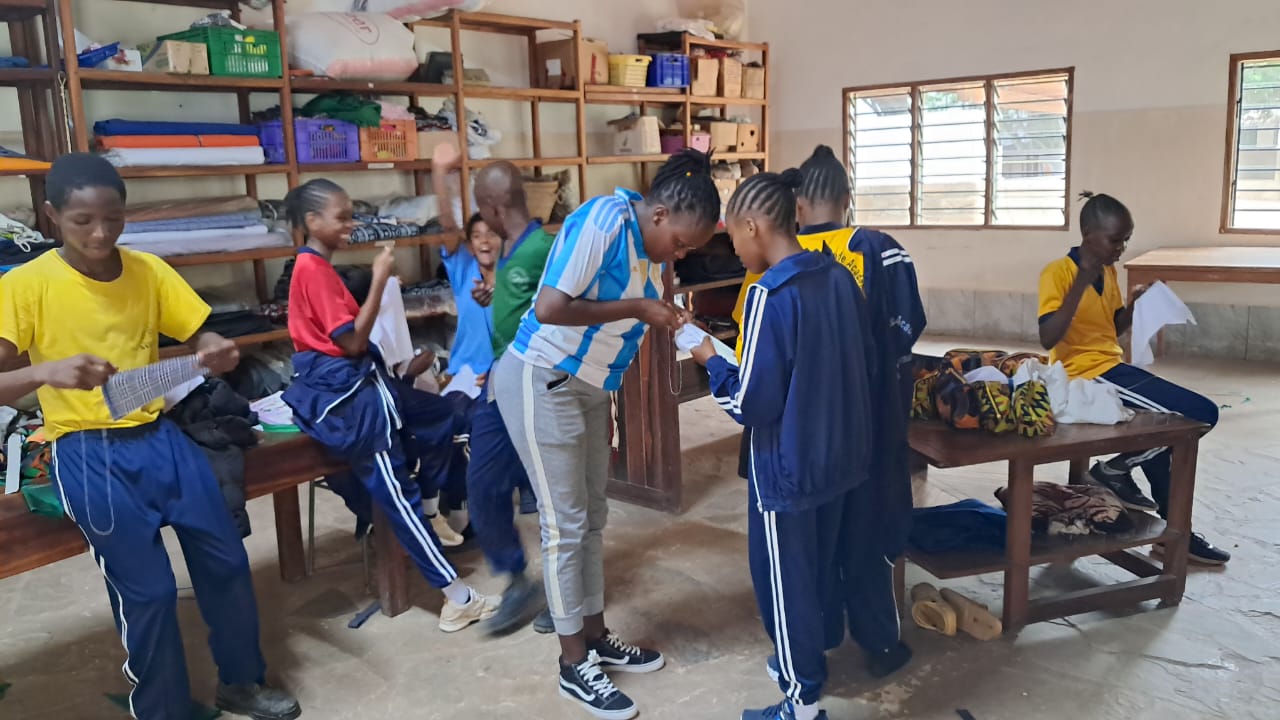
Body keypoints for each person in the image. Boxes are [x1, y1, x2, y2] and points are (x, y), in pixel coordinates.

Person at [0, 154, 300, 720]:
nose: (100, 233)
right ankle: (163, 710)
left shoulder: (147, 271)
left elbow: (199, 330)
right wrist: (45, 372)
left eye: (113, 218)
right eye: (82, 221)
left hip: (159, 436)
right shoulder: (25, 285)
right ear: (51, 216)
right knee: (150, 593)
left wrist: (214, 348)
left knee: (226, 562)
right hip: (87, 451)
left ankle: (242, 683)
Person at [492, 149, 721, 720]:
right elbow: (550, 307)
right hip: (543, 377)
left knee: (593, 516)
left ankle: (594, 637)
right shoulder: (603, 221)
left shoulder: (648, 250)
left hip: (591, 387)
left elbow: (624, 312)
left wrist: (663, 316)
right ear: (660, 214)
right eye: (681, 243)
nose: (680, 255)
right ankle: (573, 664)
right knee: (564, 525)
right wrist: (641, 307)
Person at [692, 170, 875, 720]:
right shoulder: (838, 277)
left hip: (787, 467)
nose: (733, 248)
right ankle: (807, 657)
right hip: (839, 455)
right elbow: (855, 361)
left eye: (732, 235)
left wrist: (709, 358)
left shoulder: (769, 294)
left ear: (753, 226)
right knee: (818, 566)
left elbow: (751, 403)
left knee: (783, 579)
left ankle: (801, 700)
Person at [280, 179, 499, 633]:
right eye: (341, 217)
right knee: (400, 498)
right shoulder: (312, 270)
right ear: (312, 222)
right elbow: (353, 342)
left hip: (366, 384)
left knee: (441, 414)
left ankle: (433, 507)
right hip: (354, 401)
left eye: (351, 215)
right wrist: (379, 280)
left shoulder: (318, 268)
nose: (350, 224)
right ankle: (457, 598)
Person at [1038, 191, 1229, 565]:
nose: (1121, 248)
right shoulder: (1058, 272)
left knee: (1167, 431)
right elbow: (1048, 337)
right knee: (1202, 414)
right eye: (1115, 240)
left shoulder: (1108, 271)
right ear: (1089, 234)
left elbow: (1110, 330)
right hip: (1084, 375)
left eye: (1126, 240)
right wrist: (1080, 283)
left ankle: (1175, 532)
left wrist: (1134, 304)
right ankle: (1112, 470)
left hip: (1111, 368)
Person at [792, 145, 923, 677]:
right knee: (869, 532)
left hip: (807, 428)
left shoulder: (781, 254)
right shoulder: (879, 250)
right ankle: (880, 644)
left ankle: (821, 635)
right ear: (848, 199)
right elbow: (908, 327)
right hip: (872, 419)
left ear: (797, 203)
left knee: (815, 535)